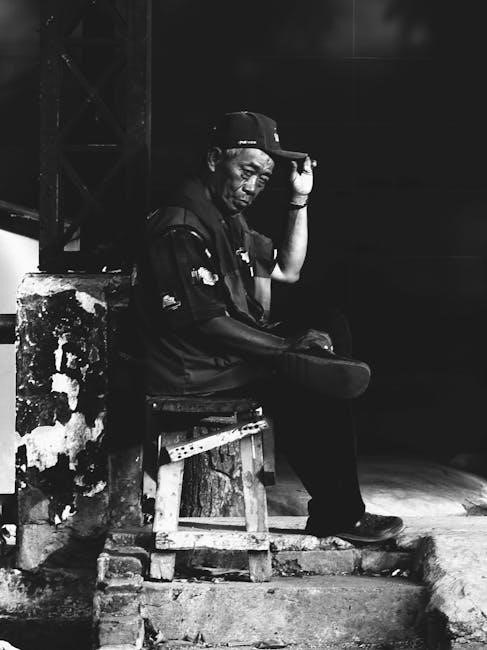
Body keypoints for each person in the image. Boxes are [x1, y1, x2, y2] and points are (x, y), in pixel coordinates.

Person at [131, 111, 403, 543]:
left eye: (263, 178)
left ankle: (320, 367)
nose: (253, 187)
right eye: (247, 172)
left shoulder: (226, 217)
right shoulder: (180, 226)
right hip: (193, 370)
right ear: (214, 159)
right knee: (306, 382)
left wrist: (299, 200)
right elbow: (208, 323)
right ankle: (340, 513)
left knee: (328, 323)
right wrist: (285, 350)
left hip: (223, 358)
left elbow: (288, 269)